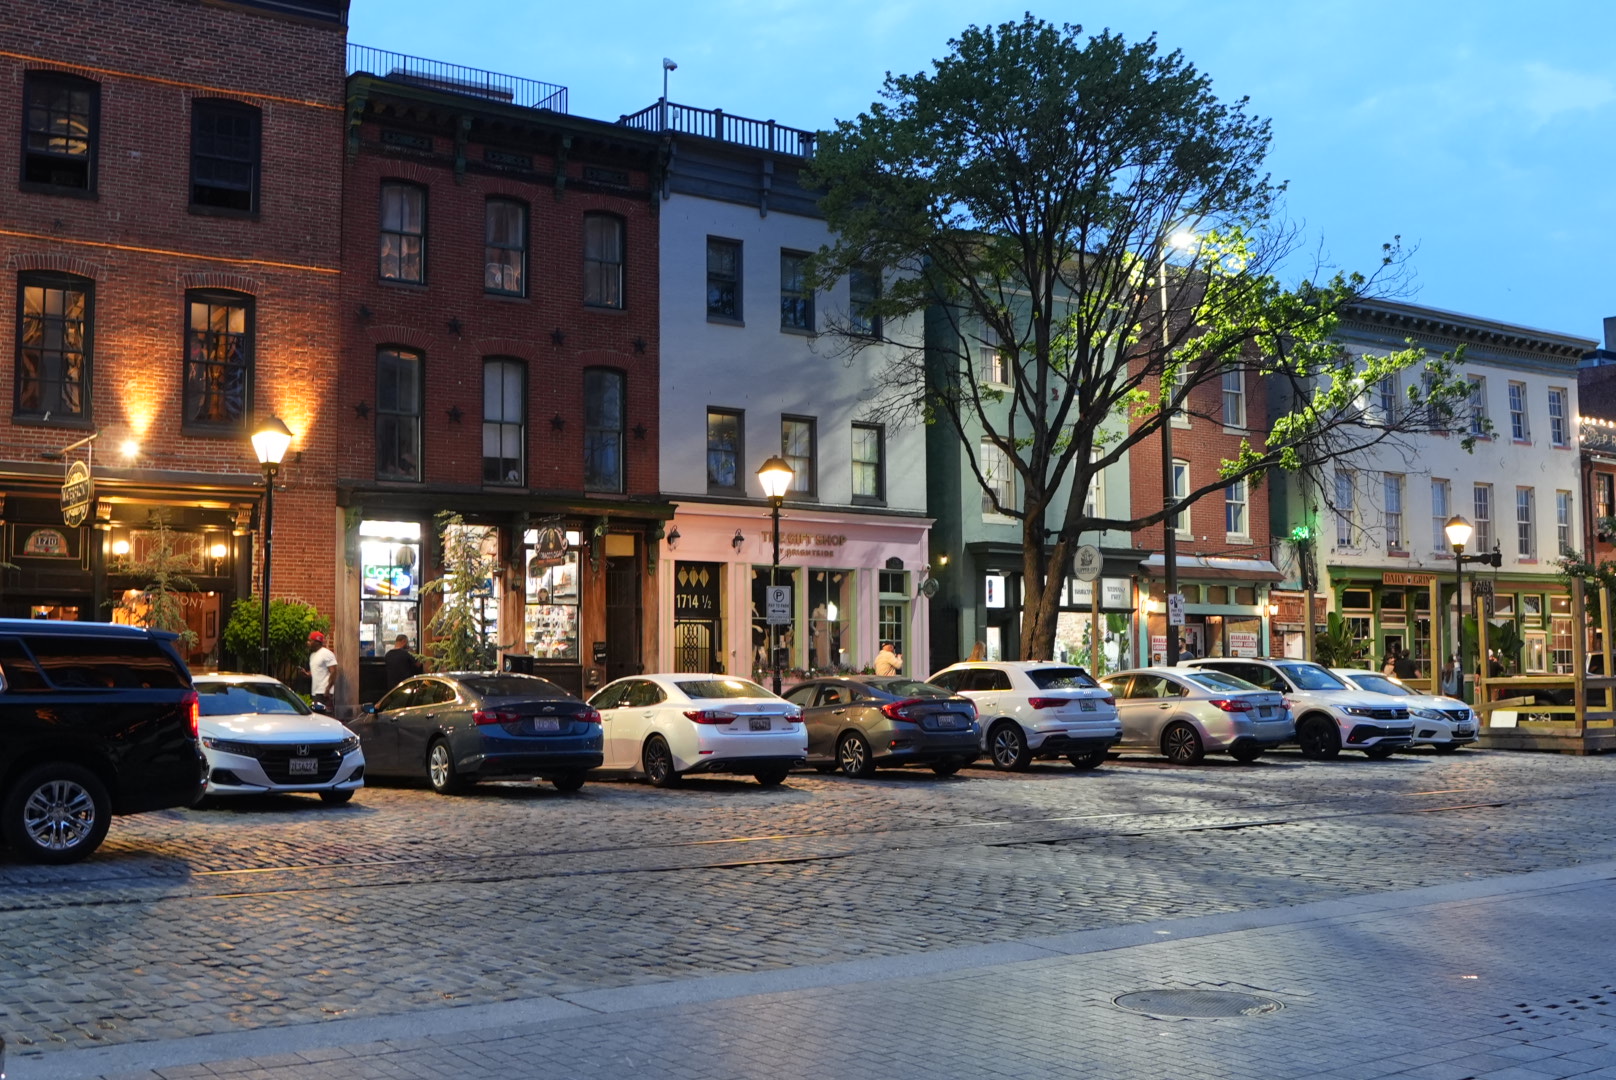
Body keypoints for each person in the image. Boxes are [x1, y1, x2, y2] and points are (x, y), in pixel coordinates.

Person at [307, 631, 339, 714]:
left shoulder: (326, 654)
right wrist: (308, 674)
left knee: (324, 717)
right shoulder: (313, 655)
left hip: (323, 692)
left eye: (310, 641)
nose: (308, 643)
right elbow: (318, 672)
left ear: (317, 642)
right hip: (315, 691)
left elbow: (334, 672)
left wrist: (328, 688)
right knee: (317, 717)